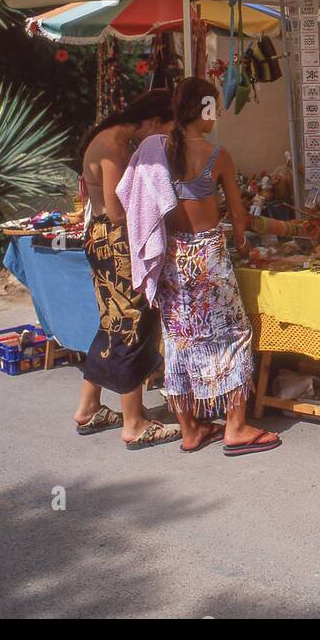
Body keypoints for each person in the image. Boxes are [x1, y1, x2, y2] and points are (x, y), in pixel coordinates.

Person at [159, 78, 280, 456]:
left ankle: (190, 430)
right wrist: (245, 247)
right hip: (209, 255)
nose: (220, 115)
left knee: (179, 339)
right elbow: (239, 217)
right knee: (233, 335)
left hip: (172, 256)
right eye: (216, 108)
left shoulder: (161, 152)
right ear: (205, 110)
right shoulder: (217, 155)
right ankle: (236, 426)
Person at [74, 89, 182, 449]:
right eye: (165, 130)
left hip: (101, 238)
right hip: (117, 240)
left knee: (111, 322)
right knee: (131, 322)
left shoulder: (112, 137)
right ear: (154, 122)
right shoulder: (114, 144)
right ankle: (135, 423)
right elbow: (119, 209)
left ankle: (89, 408)